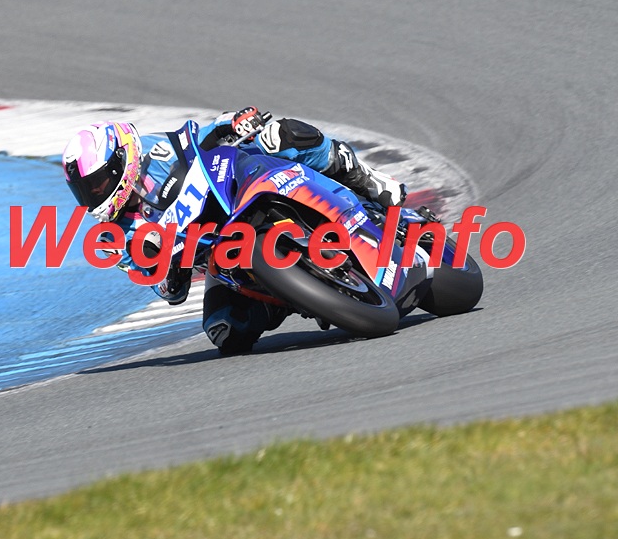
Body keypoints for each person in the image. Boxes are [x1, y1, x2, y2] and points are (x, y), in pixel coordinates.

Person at [62, 107, 406, 354]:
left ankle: (364, 179)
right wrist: (164, 268)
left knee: (280, 135)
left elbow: (201, 134)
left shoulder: (158, 151)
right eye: (86, 190)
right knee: (224, 331)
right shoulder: (117, 234)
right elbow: (168, 291)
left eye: (98, 183)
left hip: (243, 188)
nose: (95, 194)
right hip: (226, 259)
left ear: (122, 160)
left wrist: (235, 121)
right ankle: (288, 296)